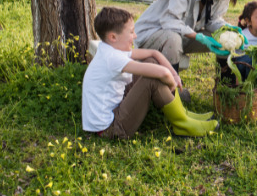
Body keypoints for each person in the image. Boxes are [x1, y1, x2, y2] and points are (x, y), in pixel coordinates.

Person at [82, 7, 218, 139]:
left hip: (115, 112)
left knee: (151, 61)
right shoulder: (112, 57)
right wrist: (172, 81)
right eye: (131, 32)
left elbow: (154, 53)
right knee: (151, 78)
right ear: (113, 37)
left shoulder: (108, 48)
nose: (135, 36)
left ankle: (183, 114)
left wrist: (175, 75)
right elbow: (163, 73)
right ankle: (182, 124)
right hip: (111, 128)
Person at [134, 0, 245, 96]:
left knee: (226, 37)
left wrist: (227, 29)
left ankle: (226, 91)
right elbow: (169, 21)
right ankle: (170, 95)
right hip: (152, 35)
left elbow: (213, 20)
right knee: (172, 38)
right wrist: (198, 37)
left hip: (181, 36)